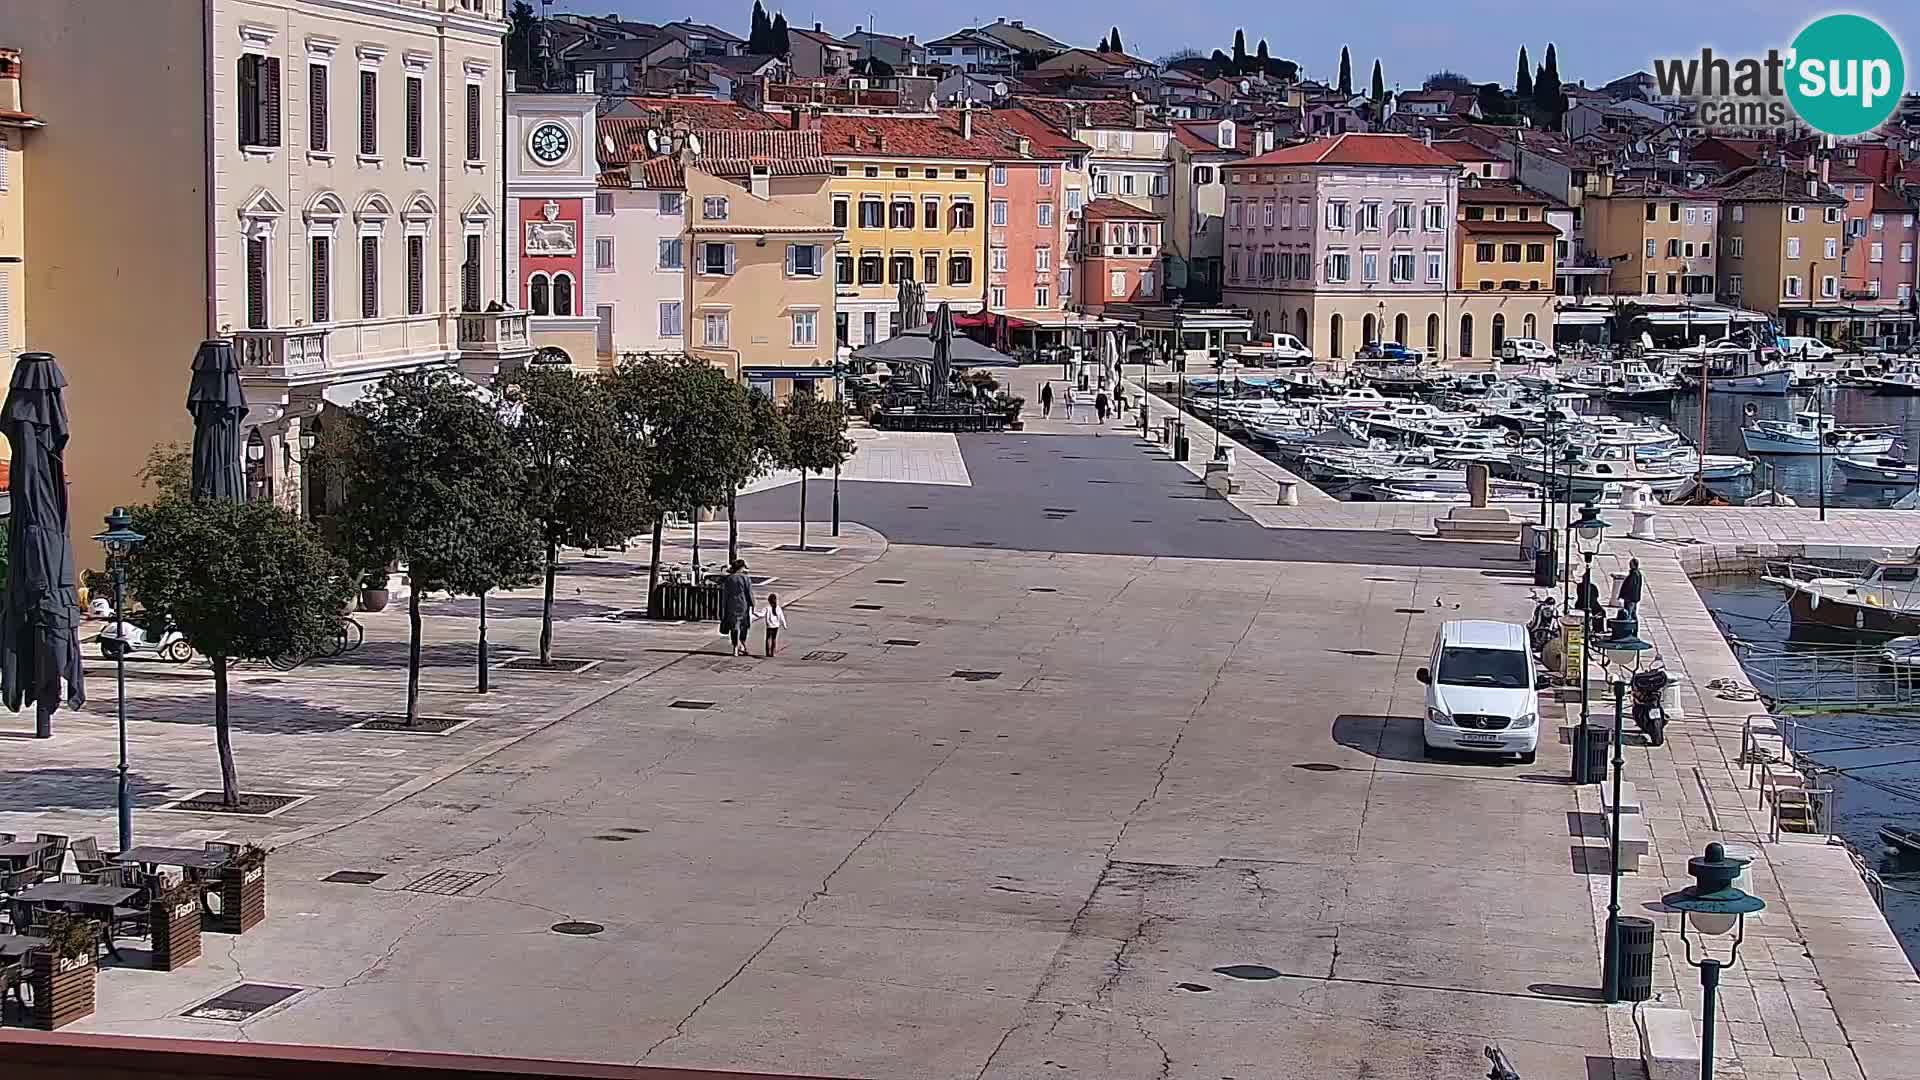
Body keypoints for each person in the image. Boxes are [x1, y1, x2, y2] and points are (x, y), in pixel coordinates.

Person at [718, 559, 755, 656]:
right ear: (741, 567)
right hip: (743, 604)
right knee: (744, 625)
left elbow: (725, 594)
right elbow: (749, 593)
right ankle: (742, 643)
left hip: (731, 605)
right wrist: (753, 604)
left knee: (734, 626)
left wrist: (724, 606)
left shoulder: (729, 579)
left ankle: (735, 646)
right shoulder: (745, 578)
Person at [759, 593, 787, 657]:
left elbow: (761, 614)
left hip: (769, 625)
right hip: (776, 625)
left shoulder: (767, 608)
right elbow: (781, 617)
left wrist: (754, 613)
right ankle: (773, 652)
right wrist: (784, 624)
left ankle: (767, 652)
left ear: (769, 601)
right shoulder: (778, 608)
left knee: (768, 638)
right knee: (774, 639)